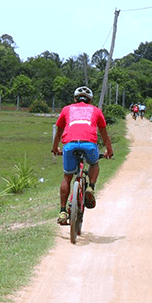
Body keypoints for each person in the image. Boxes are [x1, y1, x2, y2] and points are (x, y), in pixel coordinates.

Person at [51, 86, 114, 225]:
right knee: (94, 163)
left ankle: (62, 211)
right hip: (89, 145)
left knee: (67, 177)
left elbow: (59, 131)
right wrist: (109, 151)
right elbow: (104, 134)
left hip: (69, 145)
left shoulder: (67, 109)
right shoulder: (96, 111)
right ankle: (90, 186)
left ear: (75, 99)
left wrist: (55, 148)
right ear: (90, 100)